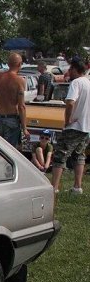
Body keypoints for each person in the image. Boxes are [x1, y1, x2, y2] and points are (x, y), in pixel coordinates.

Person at [51, 58, 89, 194]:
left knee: (60, 155)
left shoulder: (76, 83)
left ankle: (54, 187)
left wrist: (68, 120)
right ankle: (77, 187)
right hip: (86, 127)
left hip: (74, 126)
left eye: (71, 68)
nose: (69, 71)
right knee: (79, 155)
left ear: (76, 69)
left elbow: (70, 102)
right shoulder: (88, 83)